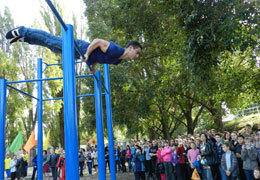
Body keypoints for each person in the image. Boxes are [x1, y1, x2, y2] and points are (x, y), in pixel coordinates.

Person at [6, 26, 142, 74]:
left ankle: (25, 39)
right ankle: (23, 30)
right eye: (137, 53)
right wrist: (87, 54)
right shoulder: (117, 50)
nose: (136, 56)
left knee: (50, 46)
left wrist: (91, 67)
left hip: (77, 54)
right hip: (79, 47)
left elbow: (98, 57)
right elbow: (97, 42)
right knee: (50, 40)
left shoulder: (117, 61)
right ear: (130, 48)